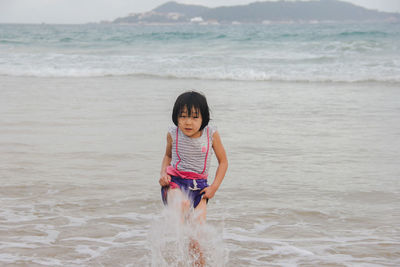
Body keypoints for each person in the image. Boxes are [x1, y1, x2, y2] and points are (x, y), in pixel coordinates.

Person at [158, 91, 228, 265]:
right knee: (183, 205)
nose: (188, 122)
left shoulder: (210, 134)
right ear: (176, 117)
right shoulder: (173, 134)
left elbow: (223, 162)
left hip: (201, 189)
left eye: (194, 117)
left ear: (204, 118)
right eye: (182, 116)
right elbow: (167, 156)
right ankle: (175, 256)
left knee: (196, 236)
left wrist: (214, 188)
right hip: (175, 183)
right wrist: (163, 174)